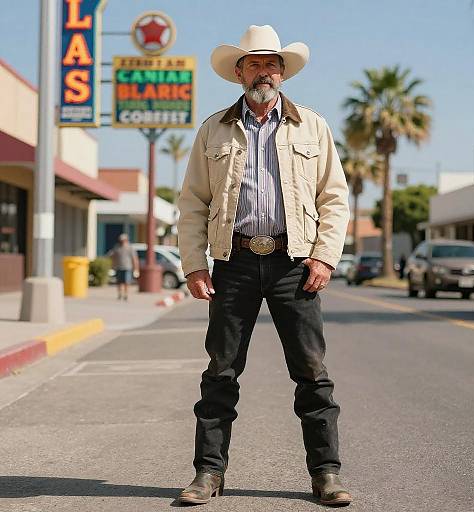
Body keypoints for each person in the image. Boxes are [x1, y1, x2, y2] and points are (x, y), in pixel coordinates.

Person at [177, 25, 351, 506]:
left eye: (272, 64)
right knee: (221, 372)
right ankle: (208, 474)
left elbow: (334, 198)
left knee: (312, 373)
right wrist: (195, 264)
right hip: (232, 262)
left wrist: (324, 256)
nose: (264, 72)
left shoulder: (312, 127)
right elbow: (193, 202)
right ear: (239, 73)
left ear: (283, 72)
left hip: (294, 263)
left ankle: (326, 475)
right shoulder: (213, 129)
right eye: (254, 63)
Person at [108, 233, 139, 301]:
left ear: (126, 240)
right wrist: (112, 265)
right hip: (118, 267)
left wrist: (136, 269)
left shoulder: (130, 247)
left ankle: (126, 294)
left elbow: (134, 259)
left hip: (127, 267)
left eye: (123, 240)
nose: (122, 241)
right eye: (121, 240)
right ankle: (120, 294)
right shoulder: (117, 247)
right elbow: (112, 255)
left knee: (126, 282)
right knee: (119, 282)